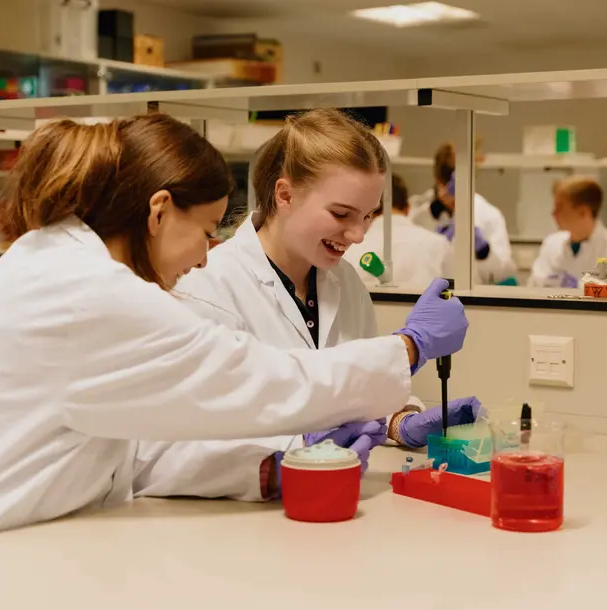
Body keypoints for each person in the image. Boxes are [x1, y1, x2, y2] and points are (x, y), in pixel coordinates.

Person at [0, 113, 469, 547]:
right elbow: (256, 378)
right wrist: (409, 346)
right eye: (206, 232)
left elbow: (130, 447)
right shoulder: (89, 291)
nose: (207, 258)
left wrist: (272, 469)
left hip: (21, 543)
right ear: (159, 211)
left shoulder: (61, 267)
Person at [136, 109, 480, 503]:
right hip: (238, 527)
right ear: (285, 195)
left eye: (368, 216)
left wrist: (398, 422)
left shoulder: (346, 283)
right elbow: (162, 450)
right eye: (341, 214)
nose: (357, 234)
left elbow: (348, 394)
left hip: (337, 502)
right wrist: (276, 465)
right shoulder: (205, 286)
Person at [411, 143, 516, 284]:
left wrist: (483, 251)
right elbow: (408, 238)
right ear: (436, 179)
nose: (450, 195)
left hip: (470, 298)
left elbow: (503, 274)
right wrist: (434, 210)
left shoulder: (488, 215)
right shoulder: (421, 210)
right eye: (445, 185)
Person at [345, 173, 452, 288]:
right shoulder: (439, 244)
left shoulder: (349, 248)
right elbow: (457, 295)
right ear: (408, 208)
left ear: (368, 210)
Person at [528, 176, 607, 288]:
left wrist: (583, 287)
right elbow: (534, 286)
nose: (554, 214)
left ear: (583, 212)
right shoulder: (551, 244)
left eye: (560, 208)